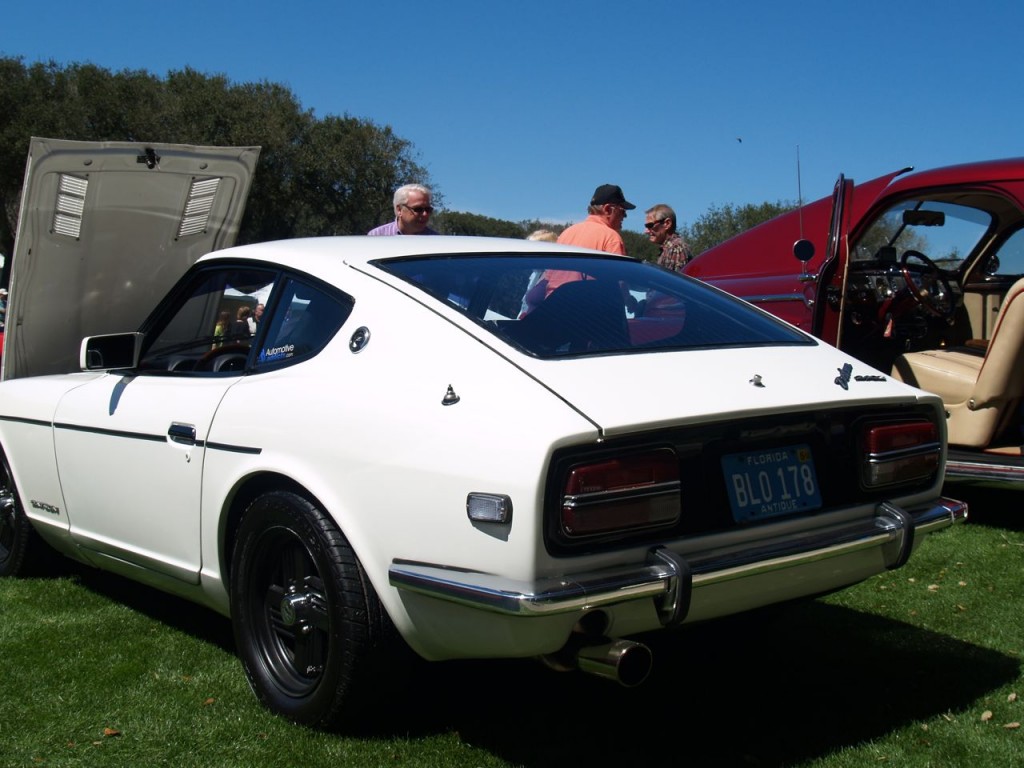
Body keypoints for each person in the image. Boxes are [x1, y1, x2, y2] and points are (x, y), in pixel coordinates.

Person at [556, 183, 634, 256]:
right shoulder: (611, 238)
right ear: (608, 210)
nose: (625, 216)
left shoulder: (565, 234)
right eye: (622, 211)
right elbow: (617, 270)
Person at [367, 184, 439, 236]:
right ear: (399, 210)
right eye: (418, 209)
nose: (425, 214)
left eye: (428, 209)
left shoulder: (435, 241)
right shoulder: (377, 236)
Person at [645, 203, 693, 271]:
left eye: (650, 225)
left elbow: (673, 280)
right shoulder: (669, 248)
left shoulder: (676, 248)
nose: (646, 231)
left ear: (667, 224)